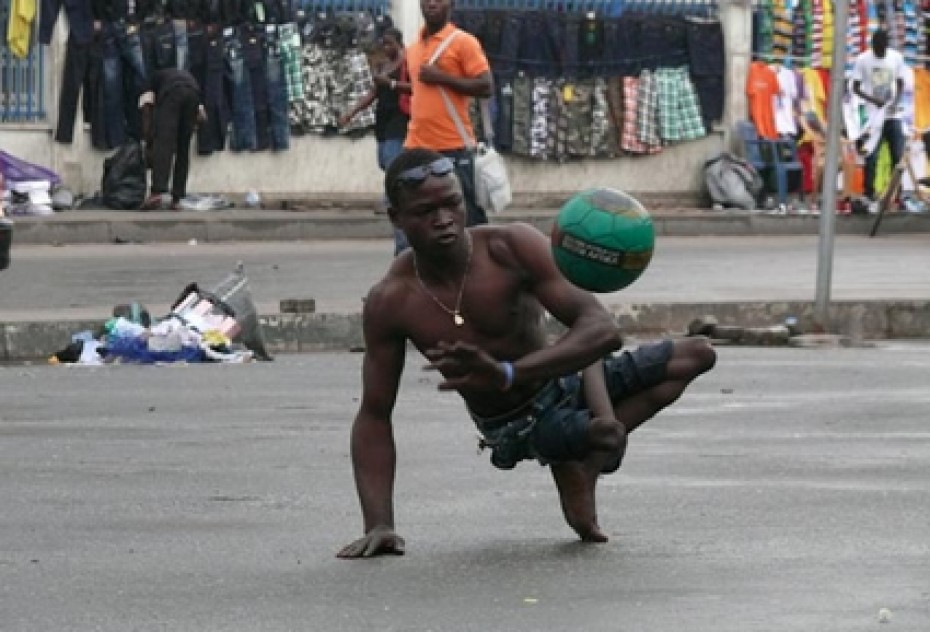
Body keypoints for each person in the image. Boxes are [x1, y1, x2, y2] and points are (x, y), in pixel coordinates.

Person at [336, 148, 717, 559]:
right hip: (514, 425)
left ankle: (582, 465)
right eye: (425, 211)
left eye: (452, 204)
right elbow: (374, 414)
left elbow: (600, 329)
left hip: (560, 378)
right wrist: (379, 523)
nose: (443, 219)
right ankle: (581, 449)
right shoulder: (391, 300)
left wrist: (512, 373)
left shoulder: (510, 247)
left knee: (696, 355)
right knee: (592, 433)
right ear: (396, 218)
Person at [404, 0, 493, 228]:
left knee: (468, 223)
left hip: (452, 147)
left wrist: (442, 78)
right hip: (416, 147)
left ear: (451, 4)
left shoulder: (463, 42)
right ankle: (414, 262)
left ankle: (476, 264)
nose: (432, 3)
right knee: (415, 220)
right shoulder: (413, 48)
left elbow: (486, 86)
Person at [339, 28, 412, 255]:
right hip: (383, 124)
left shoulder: (407, 63)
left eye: (390, 44)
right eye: (384, 44)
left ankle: (402, 240)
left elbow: (417, 88)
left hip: (400, 123)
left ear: (399, 44)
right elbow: (373, 93)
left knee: (392, 169)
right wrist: (352, 112)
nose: (386, 48)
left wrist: (391, 85)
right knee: (384, 162)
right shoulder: (382, 66)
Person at [850, 29, 908, 204]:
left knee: (897, 155)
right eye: (877, 49)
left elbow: (900, 82)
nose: (879, 52)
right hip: (873, 117)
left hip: (892, 115)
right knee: (871, 155)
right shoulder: (862, 60)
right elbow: (855, 87)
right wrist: (873, 100)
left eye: (882, 49)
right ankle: (869, 193)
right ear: (872, 45)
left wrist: (896, 101)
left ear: (886, 46)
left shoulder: (896, 58)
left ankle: (896, 194)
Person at [139, 68, 206, 210]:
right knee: (183, 148)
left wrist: (148, 138)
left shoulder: (149, 84)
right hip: (194, 93)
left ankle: (157, 192)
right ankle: (177, 198)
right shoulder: (180, 75)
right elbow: (201, 115)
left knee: (164, 144)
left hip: (172, 93)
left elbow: (146, 109)